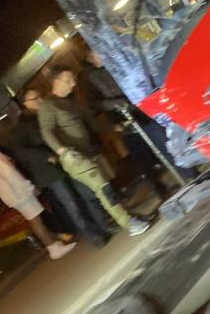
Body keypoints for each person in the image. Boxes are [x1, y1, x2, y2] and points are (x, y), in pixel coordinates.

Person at [37, 66, 150, 236]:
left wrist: (114, 127)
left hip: (89, 152)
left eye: (73, 79)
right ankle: (129, 223)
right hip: (74, 157)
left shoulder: (72, 101)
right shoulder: (48, 105)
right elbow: (46, 131)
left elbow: (93, 123)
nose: (73, 83)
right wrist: (62, 151)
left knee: (109, 187)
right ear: (56, 81)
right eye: (68, 80)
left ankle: (130, 216)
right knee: (104, 189)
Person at [79, 50, 190, 193]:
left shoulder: (116, 64)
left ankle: (188, 173)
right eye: (96, 54)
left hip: (142, 112)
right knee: (142, 158)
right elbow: (95, 104)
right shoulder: (90, 78)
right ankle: (160, 189)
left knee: (164, 143)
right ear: (90, 58)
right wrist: (116, 106)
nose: (101, 55)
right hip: (123, 120)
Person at [12, 88, 109, 247]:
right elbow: (21, 150)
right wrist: (46, 156)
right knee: (72, 204)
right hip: (50, 170)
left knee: (87, 193)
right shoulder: (22, 125)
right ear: (25, 104)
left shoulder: (46, 112)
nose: (40, 100)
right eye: (35, 98)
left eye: (40, 96)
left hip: (67, 160)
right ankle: (94, 236)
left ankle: (104, 225)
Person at [0, 131, 77, 260]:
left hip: (13, 194)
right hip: (18, 192)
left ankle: (54, 244)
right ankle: (54, 248)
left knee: (36, 219)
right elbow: (10, 174)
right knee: (36, 220)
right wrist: (27, 187)